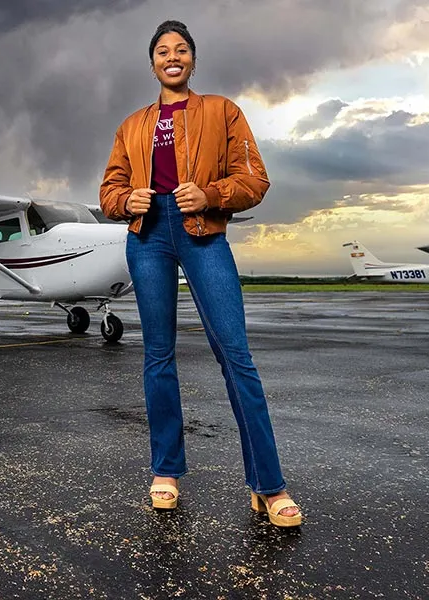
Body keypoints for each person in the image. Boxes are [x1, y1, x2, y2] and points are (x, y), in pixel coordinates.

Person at [99, 20, 301, 527]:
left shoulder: (223, 111)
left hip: (202, 231)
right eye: (163, 51)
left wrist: (210, 195)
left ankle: (269, 485)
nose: (173, 57)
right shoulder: (131, 126)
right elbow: (108, 194)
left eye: (182, 50)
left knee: (236, 353)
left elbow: (255, 179)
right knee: (158, 355)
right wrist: (128, 200)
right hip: (147, 236)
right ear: (152, 63)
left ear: (193, 59)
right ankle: (166, 471)